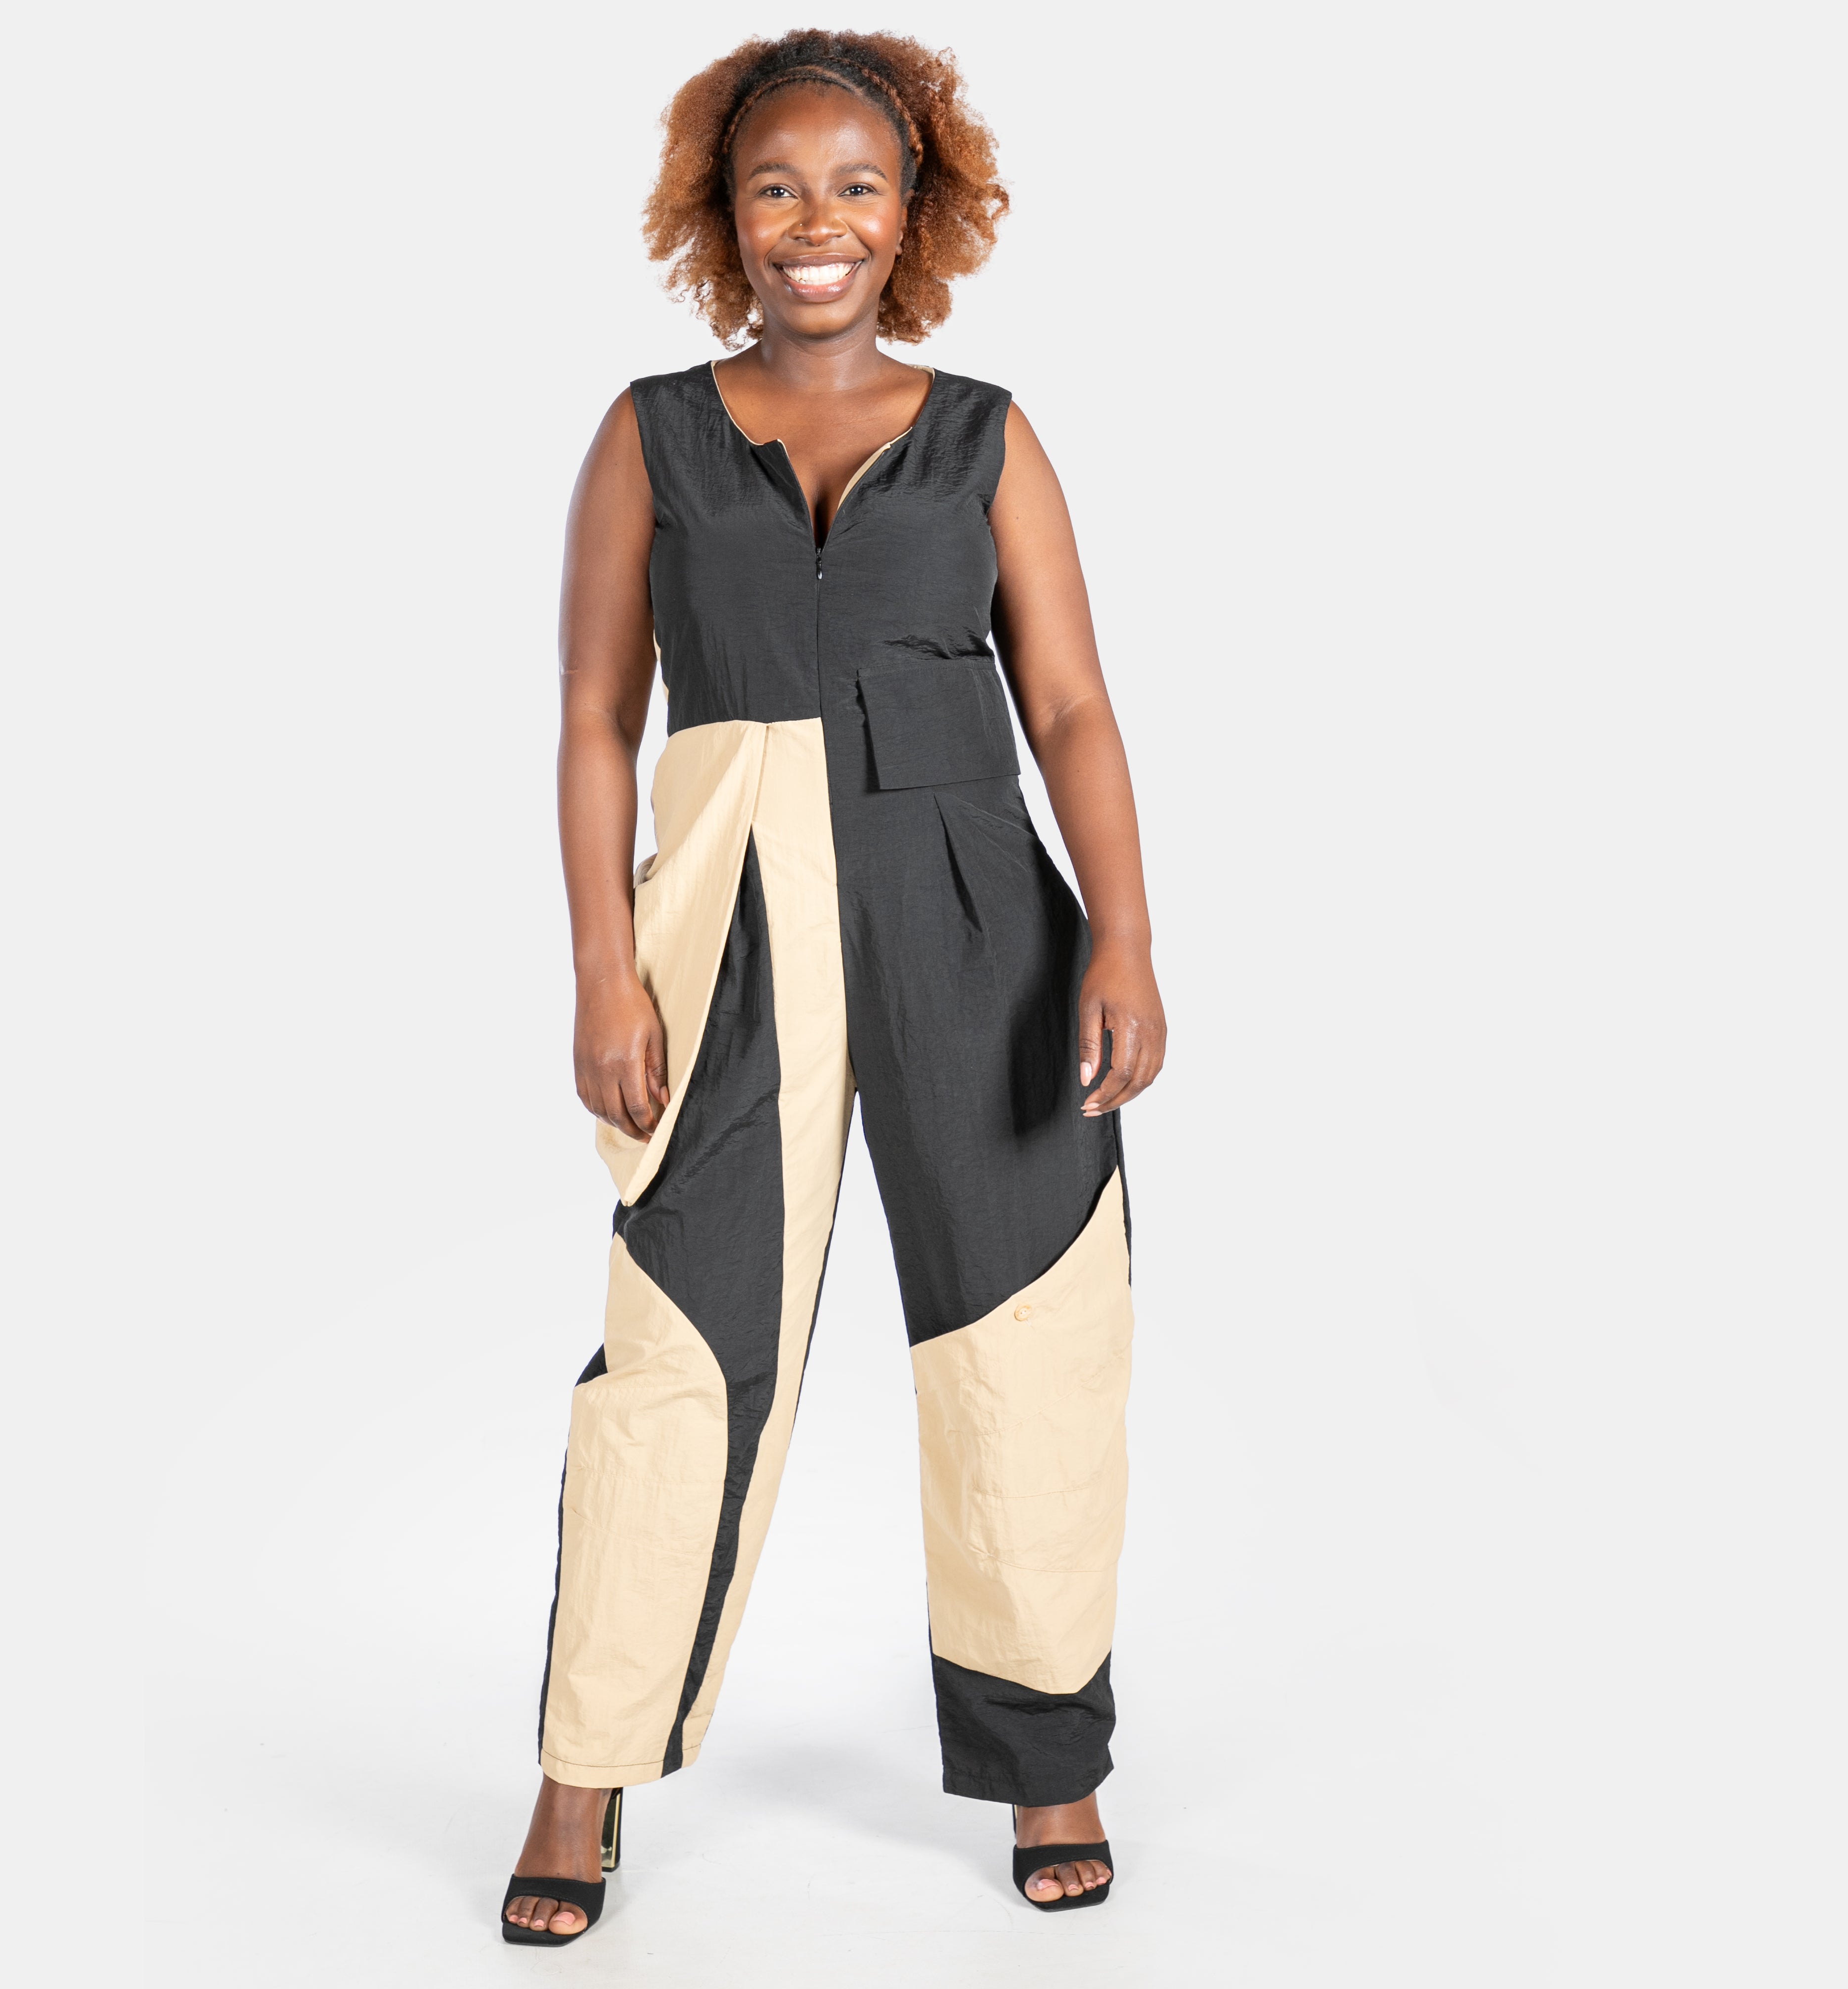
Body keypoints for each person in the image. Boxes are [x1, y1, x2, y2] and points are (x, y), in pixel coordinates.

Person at [503, 28, 1166, 1945]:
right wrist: (602, 968)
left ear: (914, 210)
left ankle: (1049, 1758)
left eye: (859, 186)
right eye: (778, 187)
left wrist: (1125, 935)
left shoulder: (986, 436)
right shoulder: (649, 434)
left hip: (978, 928)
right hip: (728, 936)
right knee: (674, 1355)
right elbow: (593, 714)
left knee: (1029, 1341)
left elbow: (1071, 705)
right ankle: (579, 1773)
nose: (820, 222)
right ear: (723, 215)